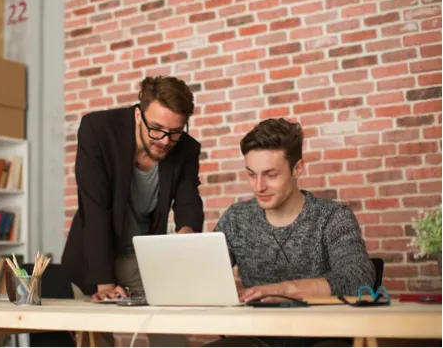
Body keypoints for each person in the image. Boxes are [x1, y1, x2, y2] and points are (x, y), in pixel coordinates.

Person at [61, 75, 204, 348]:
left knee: (170, 337)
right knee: (96, 339)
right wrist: (104, 283)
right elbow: (95, 207)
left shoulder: (186, 148)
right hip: (96, 257)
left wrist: (187, 238)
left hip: (144, 260)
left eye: (175, 132)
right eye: (157, 129)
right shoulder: (98, 130)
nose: (165, 141)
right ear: (139, 114)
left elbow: (188, 202)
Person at [206, 118, 375, 348]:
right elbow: (206, 275)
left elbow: (359, 277)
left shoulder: (333, 217)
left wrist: (285, 290)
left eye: (271, 175)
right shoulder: (236, 219)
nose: (258, 186)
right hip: (256, 340)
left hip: (322, 339)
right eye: (251, 174)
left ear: (298, 169)